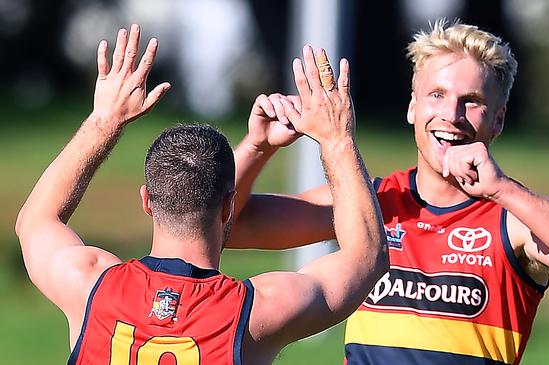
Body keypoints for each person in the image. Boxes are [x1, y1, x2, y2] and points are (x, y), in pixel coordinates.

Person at [228, 18, 549, 365]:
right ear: (412, 106)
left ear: (498, 120)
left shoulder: (512, 219)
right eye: (437, 95)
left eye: (471, 101)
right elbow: (230, 226)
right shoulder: (368, 203)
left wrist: (504, 190)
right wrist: (257, 147)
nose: (451, 115)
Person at [15, 24, 388, 365]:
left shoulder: (88, 283)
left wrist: (104, 120)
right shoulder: (258, 311)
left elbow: (35, 221)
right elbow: (367, 255)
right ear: (229, 205)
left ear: (147, 200)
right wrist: (336, 138)